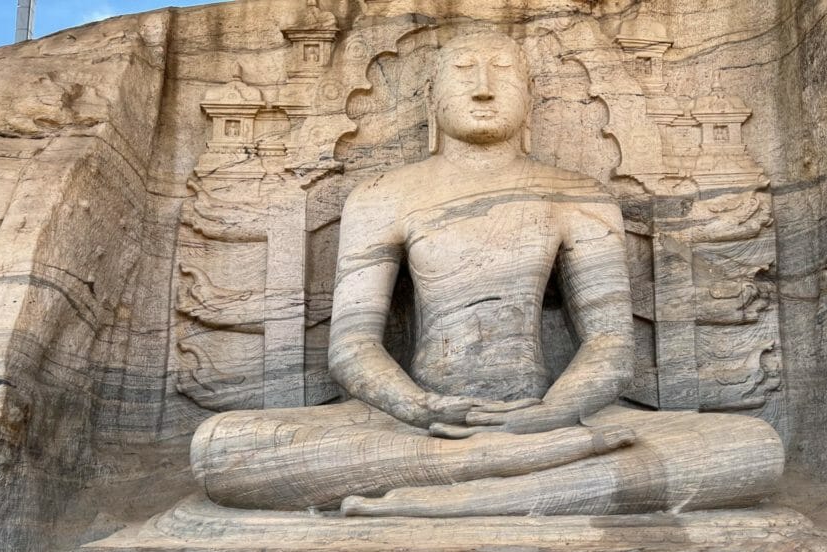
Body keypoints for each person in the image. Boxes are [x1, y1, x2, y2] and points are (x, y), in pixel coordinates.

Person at [190, 32, 783, 516]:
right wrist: (417, 407)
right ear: (432, 98)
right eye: (463, 71)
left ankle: (459, 488)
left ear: (530, 98)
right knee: (225, 448)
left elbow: (609, 343)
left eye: (502, 71)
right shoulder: (382, 195)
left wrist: (552, 413)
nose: (482, 87)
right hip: (416, 427)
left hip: (549, 418)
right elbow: (352, 348)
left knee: (748, 447)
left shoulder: (577, 195)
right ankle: (509, 476)